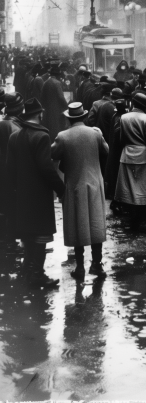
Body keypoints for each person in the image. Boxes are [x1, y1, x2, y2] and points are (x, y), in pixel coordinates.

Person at [6, 98, 65, 288]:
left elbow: (10, 168)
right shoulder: (41, 137)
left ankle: (27, 270)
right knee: (41, 234)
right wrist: (61, 189)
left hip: (22, 194)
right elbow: (46, 168)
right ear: (40, 114)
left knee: (27, 233)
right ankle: (37, 274)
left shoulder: (15, 137)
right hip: (39, 194)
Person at [51, 102, 109, 280]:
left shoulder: (63, 136)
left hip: (75, 184)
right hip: (94, 183)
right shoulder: (95, 133)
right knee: (96, 223)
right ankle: (97, 265)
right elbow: (106, 151)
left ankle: (80, 267)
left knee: (78, 225)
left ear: (68, 119)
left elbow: (53, 155)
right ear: (84, 117)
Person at [114, 92, 146, 232]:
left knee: (129, 189)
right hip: (142, 156)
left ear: (133, 103)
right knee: (143, 189)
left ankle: (132, 221)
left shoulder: (124, 117)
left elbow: (121, 138)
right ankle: (143, 220)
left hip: (127, 154)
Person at [0, 93, 24, 247]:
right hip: (11, 173)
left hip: (2, 171)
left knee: (4, 204)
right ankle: (10, 241)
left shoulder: (3, 123)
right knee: (12, 206)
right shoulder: (15, 128)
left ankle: (4, 238)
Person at [105, 99, 128, 209]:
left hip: (113, 149)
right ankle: (117, 199)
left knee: (114, 173)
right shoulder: (122, 118)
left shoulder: (115, 116)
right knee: (117, 174)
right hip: (118, 150)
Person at [41, 63, 68, 142]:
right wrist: (66, 107)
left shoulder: (46, 82)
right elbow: (61, 97)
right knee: (57, 127)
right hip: (57, 110)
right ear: (58, 75)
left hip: (48, 109)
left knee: (50, 126)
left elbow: (42, 97)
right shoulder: (57, 83)